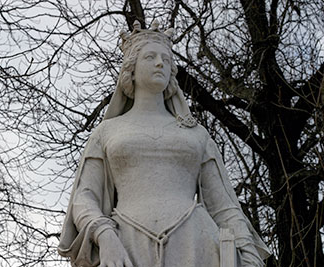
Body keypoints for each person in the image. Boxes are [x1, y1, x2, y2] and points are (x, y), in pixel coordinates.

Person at [58, 20, 270, 267]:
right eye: (150, 57)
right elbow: (84, 198)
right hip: (126, 246)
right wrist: (105, 236)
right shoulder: (107, 131)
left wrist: (249, 256)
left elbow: (224, 206)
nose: (160, 63)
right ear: (132, 68)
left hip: (197, 245)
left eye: (166, 60)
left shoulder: (197, 134)